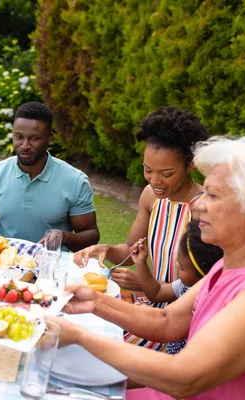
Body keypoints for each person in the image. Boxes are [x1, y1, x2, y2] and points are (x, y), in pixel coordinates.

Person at [50, 131, 245, 399]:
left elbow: (184, 378)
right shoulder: (230, 265)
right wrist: (94, 301)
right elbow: (167, 320)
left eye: (212, 195)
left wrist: (81, 337)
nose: (198, 205)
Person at [73, 106, 210, 351]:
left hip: (181, 320)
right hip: (150, 305)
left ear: (191, 165)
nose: (155, 181)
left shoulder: (205, 208)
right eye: (148, 170)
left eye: (166, 173)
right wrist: (103, 248)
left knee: (101, 348)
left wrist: (146, 281)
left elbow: (202, 285)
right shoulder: (151, 197)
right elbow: (128, 249)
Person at [0, 101, 99, 252]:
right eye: (19, 137)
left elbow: (91, 235)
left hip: (51, 266)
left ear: (49, 138)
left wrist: (64, 237)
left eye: (34, 138)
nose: (25, 145)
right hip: (3, 263)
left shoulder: (75, 181)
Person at [133, 221, 223, 354]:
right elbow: (157, 293)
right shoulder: (184, 285)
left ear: (204, 275)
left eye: (181, 266)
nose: (176, 266)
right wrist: (141, 263)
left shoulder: (208, 303)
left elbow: (166, 324)